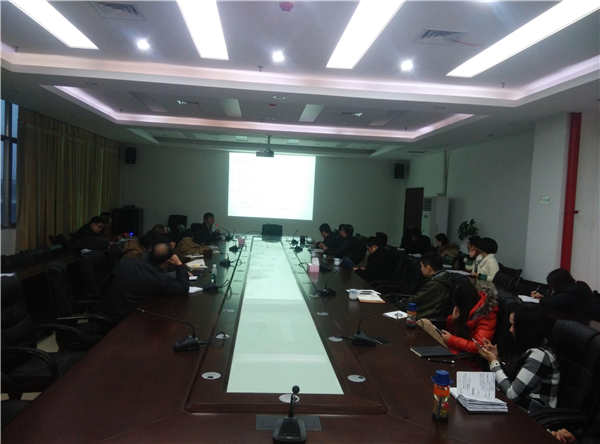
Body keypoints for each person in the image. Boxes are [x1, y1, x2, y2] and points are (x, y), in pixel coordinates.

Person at [477, 307, 559, 411]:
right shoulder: (527, 345)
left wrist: (493, 362)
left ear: (526, 328)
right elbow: (512, 378)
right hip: (518, 408)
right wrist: (496, 358)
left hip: (532, 415)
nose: (510, 329)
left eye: (514, 325)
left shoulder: (539, 355)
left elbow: (512, 394)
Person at [101, 241, 190, 320]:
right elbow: (183, 288)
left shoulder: (127, 260)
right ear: (167, 261)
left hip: (106, 308)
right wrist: (179, 264)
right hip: (126, 318)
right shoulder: (157, 278)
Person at [440, 280, 498, 353]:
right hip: (459, 348)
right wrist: (453, 320)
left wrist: (451, 340)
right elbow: (452, 332)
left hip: (470, 355)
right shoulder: (467, 306)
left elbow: (478, 346)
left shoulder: (487, 314)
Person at [407, 252, 453, 320]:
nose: (421, 269)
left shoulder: (435, 283)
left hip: (426, 319)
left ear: (428, 268)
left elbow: (415, 301)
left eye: (421, 266)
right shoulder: (445, 277)